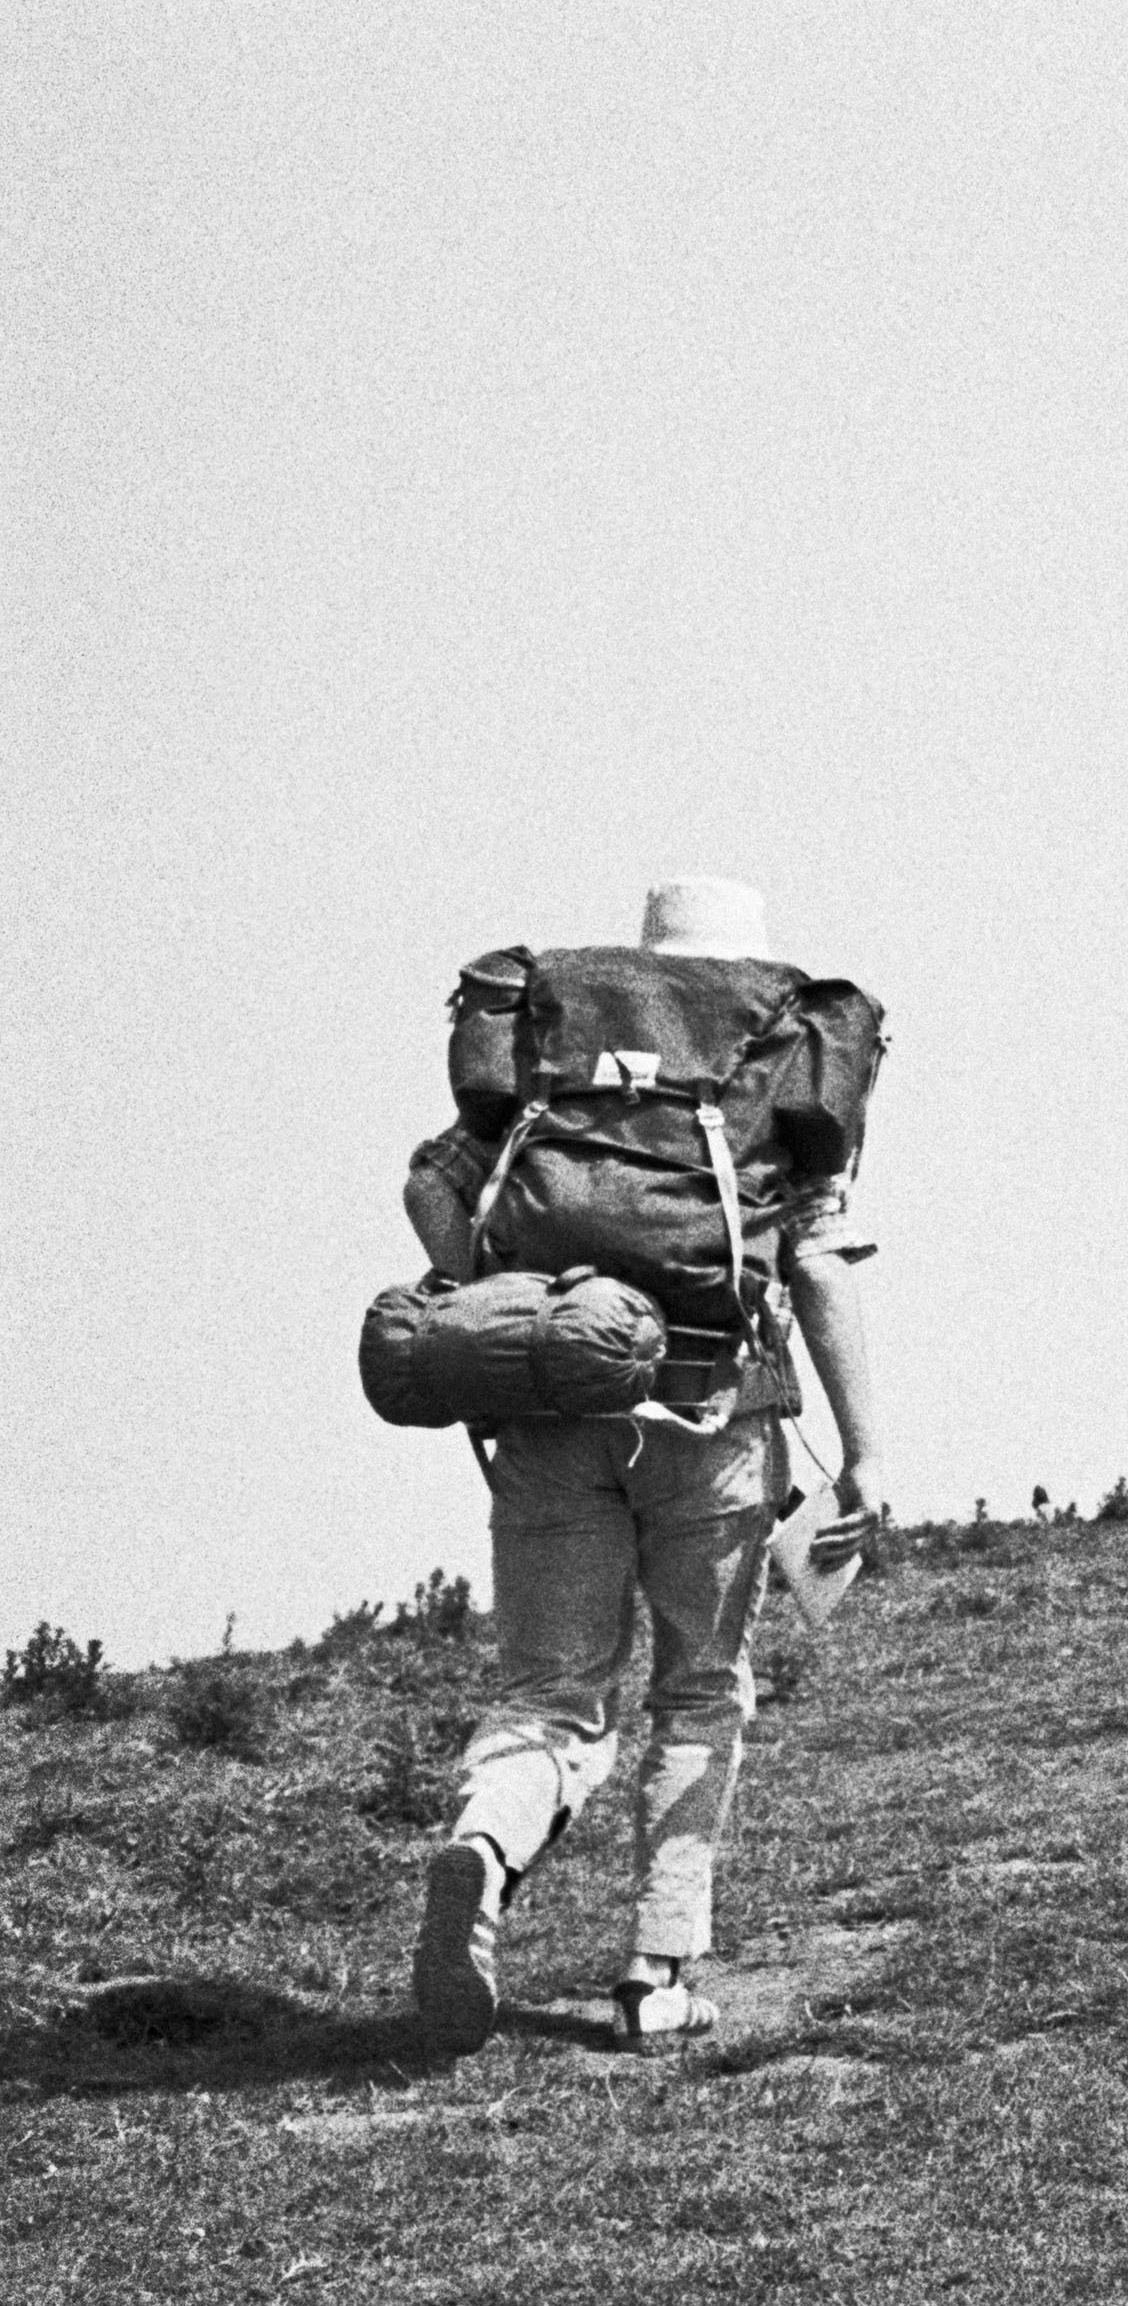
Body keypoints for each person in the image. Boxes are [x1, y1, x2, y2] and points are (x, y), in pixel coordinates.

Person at [406, 876, 891, 2050]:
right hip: (712, 1419)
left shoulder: (558, 1048)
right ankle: (657, 1970)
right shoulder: (774, 1053)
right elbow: (819, 1266)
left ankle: (484, 1846)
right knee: (698, 1691)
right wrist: (865, 1452)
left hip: (550, 1405)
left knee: (549, 1692)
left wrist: (514, 1302)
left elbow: (429, 1184)